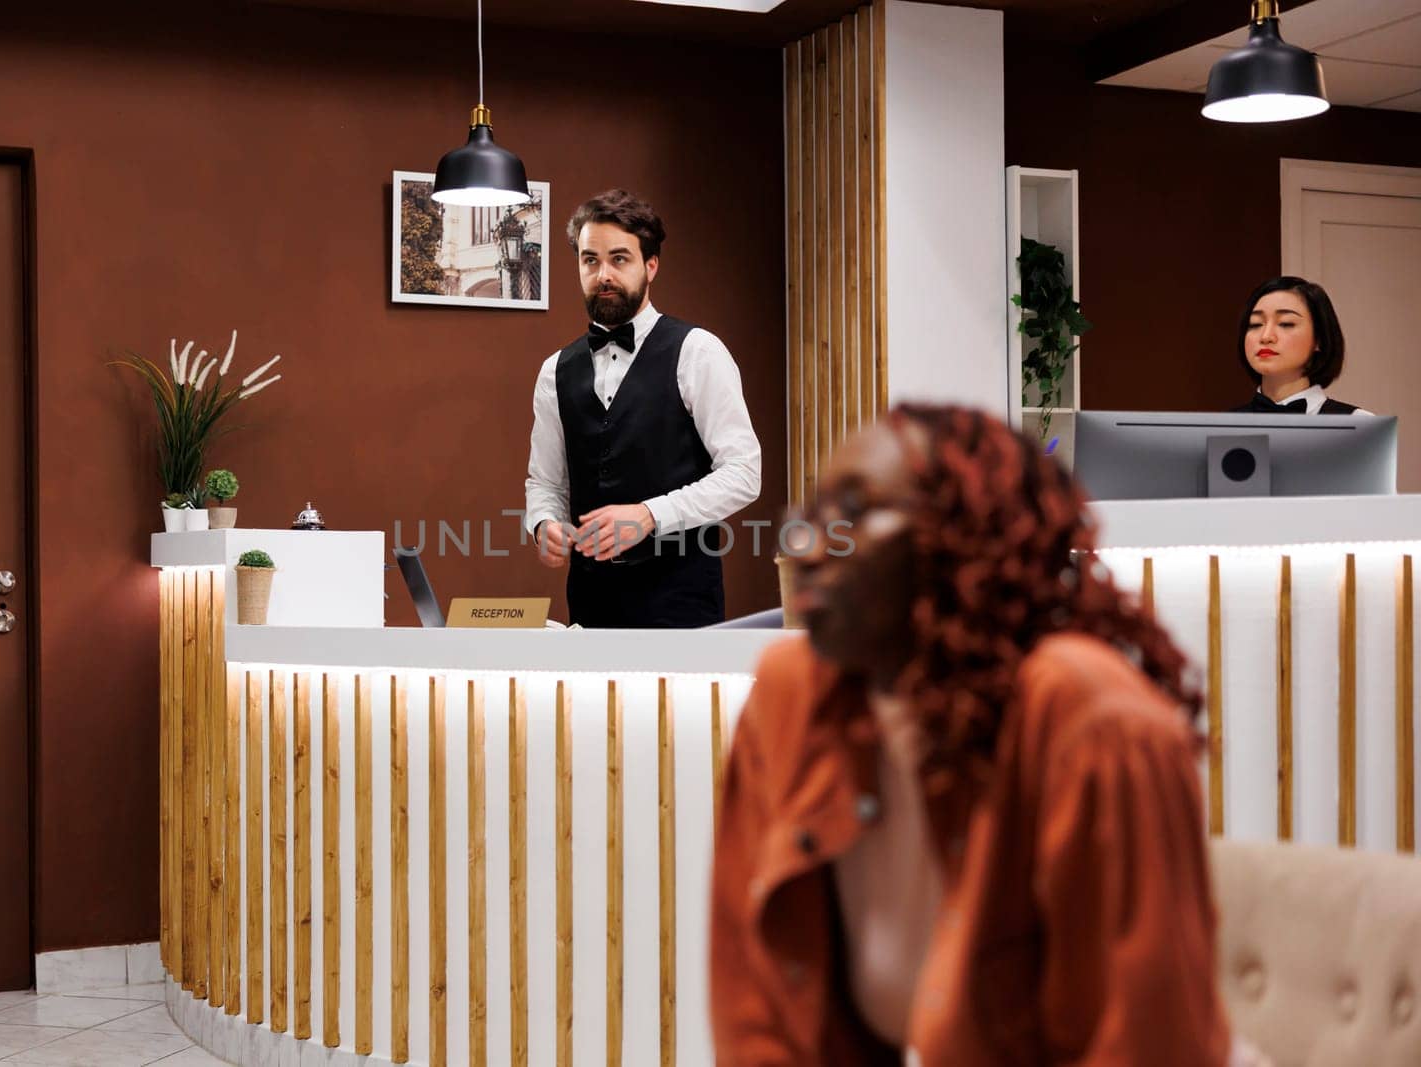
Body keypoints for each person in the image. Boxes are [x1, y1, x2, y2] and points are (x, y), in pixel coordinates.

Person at [710, 404, 1261, 1066]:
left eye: (854, 515)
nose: (808, 547)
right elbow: (757, 1010)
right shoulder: (789, 694)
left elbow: (1145, 1042)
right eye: (809, 518)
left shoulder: (1095, 722)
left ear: (963, 536)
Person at [523, 189, 761, 628]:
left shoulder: (698, 352)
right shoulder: (554, 370)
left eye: (619, 259)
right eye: (590, 260)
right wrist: (544, 524)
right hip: (591, 607)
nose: (603, 274)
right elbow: (546, 481)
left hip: (681, 607)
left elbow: (744, 473)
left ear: (650, 265)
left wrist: (651, 516)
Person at [1231, 276, 1370, 414]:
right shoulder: (1223, 427)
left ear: (1319, 339)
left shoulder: (1359, 424)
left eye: (1286, 323)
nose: (1266, 336)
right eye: (1255, 324)